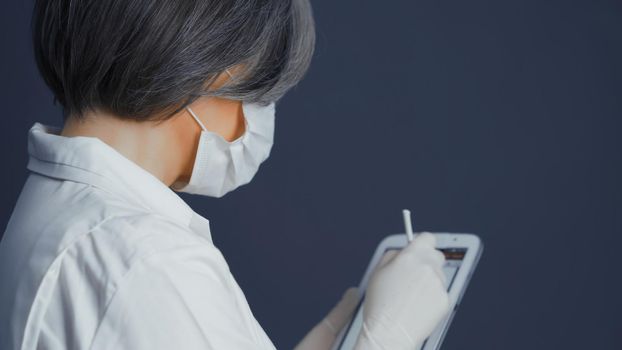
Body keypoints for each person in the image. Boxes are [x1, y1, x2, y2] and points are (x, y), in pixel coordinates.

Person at [0, 0, 450, 349]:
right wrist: (383, 339)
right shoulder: (147, 257)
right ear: (221, 71)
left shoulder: (58, 211)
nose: (261, 115)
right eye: (262, 92)